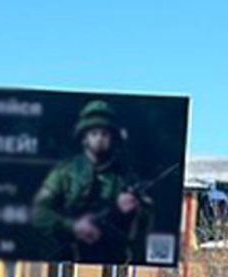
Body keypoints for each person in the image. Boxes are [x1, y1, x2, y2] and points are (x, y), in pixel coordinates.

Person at [31, 99, 152, 263]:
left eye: (105, 134)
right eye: (94, 133)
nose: (99, 139)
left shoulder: (124, 177)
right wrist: (72, 226)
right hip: (64, 256)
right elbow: (38, 213)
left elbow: (143, 226)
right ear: (84, 137)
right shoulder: (65, 172)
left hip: (109, 258)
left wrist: (130, 211)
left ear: (112, 137)